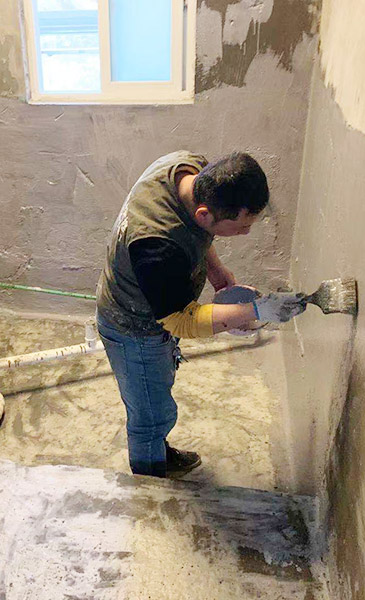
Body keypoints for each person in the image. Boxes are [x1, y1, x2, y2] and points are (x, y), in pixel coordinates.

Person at [95, 151, 306, 478]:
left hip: (154, 305)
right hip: (133, 328)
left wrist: (215, 269)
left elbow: (195, 229)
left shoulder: (188, 166)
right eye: (241, 226)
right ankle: (150, 480)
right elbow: (179, 320)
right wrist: (256, 310)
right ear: (205, 214)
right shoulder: (155, 245)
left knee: (156, 396)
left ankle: (156, 453)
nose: (246, 233)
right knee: (151, 414)